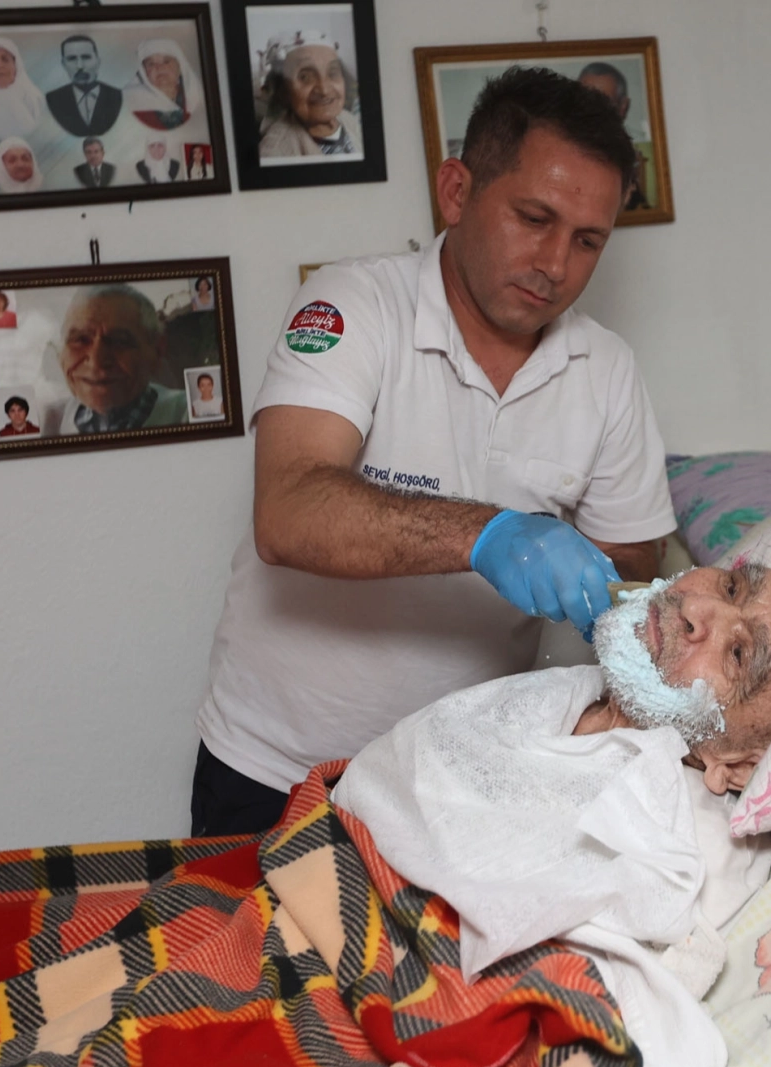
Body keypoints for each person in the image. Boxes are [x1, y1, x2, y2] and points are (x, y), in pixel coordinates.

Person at [192, 67, 678, 836]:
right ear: (456, 192)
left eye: (587, 241)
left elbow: (631, 564)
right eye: (534, 218)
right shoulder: (352, 303)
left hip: (464, 782)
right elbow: (288, 508)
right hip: (277, 770)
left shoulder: (606, 369)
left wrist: (613, 590)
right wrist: (491, 534)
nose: (556, 264)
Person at [334, 565, 771, 1067]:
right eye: (731, 586)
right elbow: (366, 797)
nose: (696, 608)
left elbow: (607, 1008)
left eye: (739, 654)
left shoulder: (690, 845)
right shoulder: (566, 693)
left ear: (737, 766)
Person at [52, 283, 187, 434]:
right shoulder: (46, 421)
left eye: (119, 341)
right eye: (81, 339)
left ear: (157, 351)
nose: (96, 362)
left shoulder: (191, 413)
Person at [256, 31, 361, 159]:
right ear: (282, 91)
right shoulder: (274, 153)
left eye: (332, 73)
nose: (324, 90)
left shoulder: (348, 119)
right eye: (305, 77)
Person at [577, 60, 649, 210]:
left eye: (603, 103)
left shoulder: (637, 155)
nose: (592, 111)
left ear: (623, 107)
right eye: (584, 100)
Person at [45, 35, 122, 138]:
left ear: (97, 61)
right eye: (71, 59)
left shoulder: (115, 95)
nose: (80, 66)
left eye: (86, 57)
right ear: (64, 64)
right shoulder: (54, 99)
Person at [126, 38, 201, 131]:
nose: (159, 67)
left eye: (166, 61)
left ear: (180, 67)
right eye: (151, 64)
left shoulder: (196, 97)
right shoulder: (131, 101)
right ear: (144, 73)